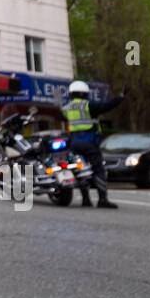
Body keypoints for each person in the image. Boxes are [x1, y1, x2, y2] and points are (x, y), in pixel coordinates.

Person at [63, 80, 124, 209]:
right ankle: (102, 199)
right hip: (89, 142)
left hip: (74, 143)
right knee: (98, 170)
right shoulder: (88, 105)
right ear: (84, 94)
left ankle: (86, 199)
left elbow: (61, 116)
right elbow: (107, 106)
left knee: (81, 170)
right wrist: (120, 97)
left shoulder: (66, 108)